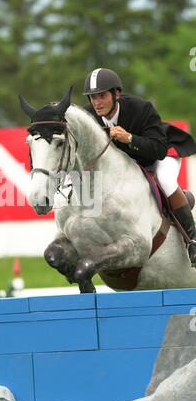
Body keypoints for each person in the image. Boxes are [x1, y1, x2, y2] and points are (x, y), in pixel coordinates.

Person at [83, 67, 196, 267]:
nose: (97, 103)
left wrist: (129, 138)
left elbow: (158, 149)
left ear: (116, 94)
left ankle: (192, 240)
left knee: (166, 181)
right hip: (127, 164)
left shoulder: (141, 108)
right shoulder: (89, 116)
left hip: (160, 152)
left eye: (102, 96)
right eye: (93, 98)